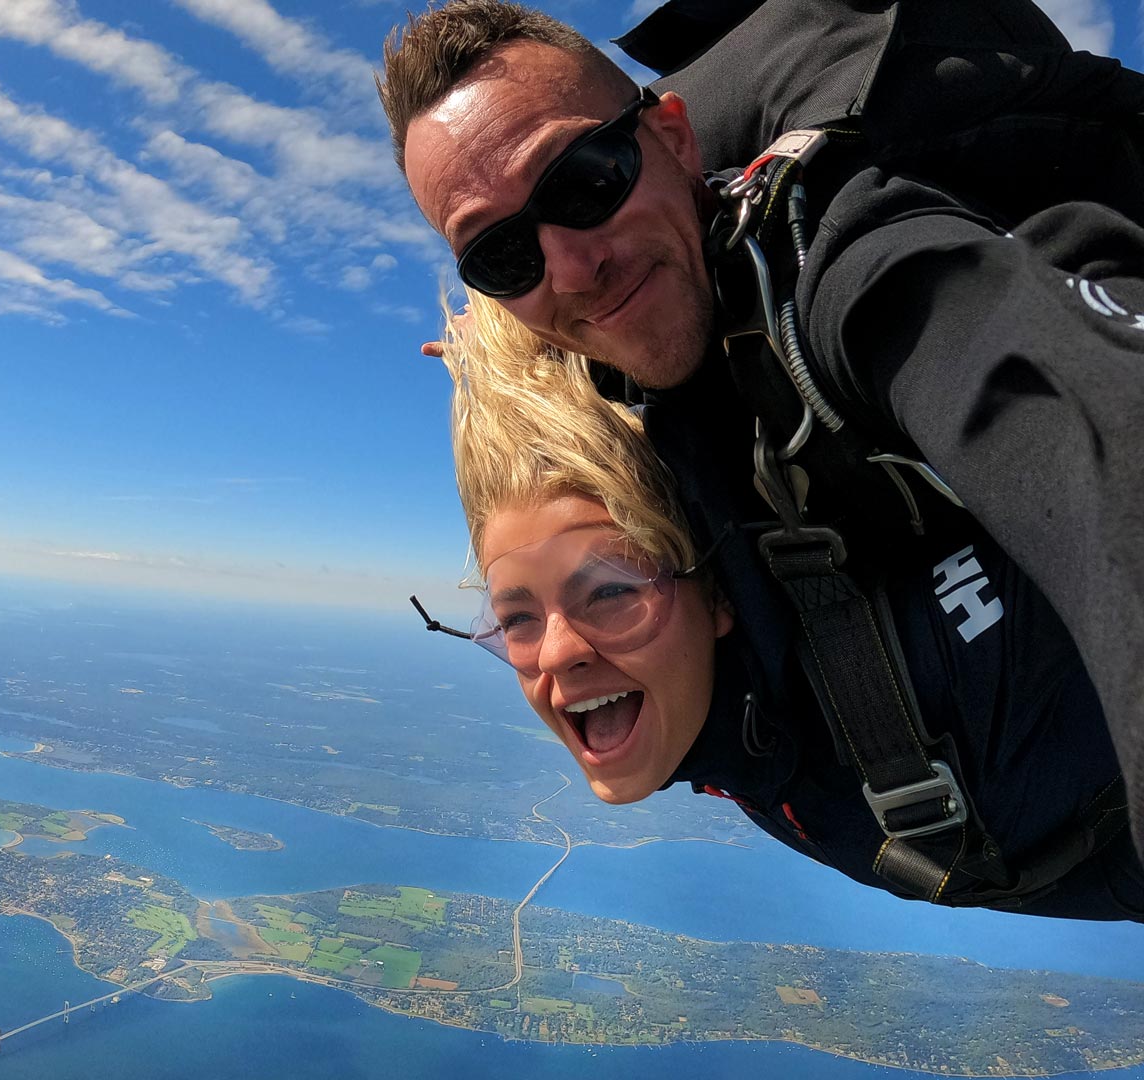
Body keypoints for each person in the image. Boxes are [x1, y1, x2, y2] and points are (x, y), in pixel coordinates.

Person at [379, 0, 1144, 897]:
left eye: (587, 180)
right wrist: (492, 356)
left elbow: (1091, 435)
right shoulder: (720, 685)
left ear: (673, 140)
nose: (572, 268)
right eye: (503, 256)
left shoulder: (843, 287)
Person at [422, 296, 1142, 919]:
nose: (556, 652)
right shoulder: (750, 737)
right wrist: (497, 360)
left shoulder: (957, 674)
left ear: (719, 593)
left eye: (611, 592)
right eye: (515, 618)